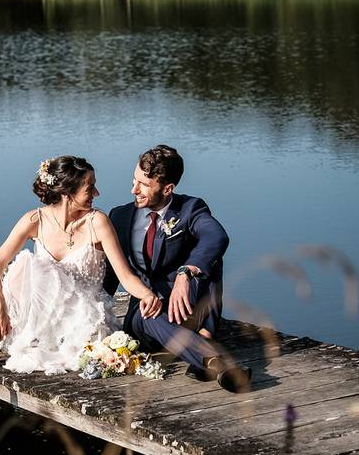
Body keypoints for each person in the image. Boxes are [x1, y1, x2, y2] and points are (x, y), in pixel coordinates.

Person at [0, 156, 163, 410]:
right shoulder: (35, 220)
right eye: (89, 186)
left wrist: (148, 295)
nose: (97, 192)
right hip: (41, 318)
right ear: (66, 193)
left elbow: (126, 276)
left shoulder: (98, 222)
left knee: (31, 266)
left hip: (80, 322)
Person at [102, 145, 251, 393]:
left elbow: (217, 237)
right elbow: (110, 276)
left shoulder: (190, 209)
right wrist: (92, 315)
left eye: (143, 185)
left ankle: (203, 337)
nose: (133, 190)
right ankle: (214, 359)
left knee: (209, 256)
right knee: (147, 314)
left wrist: (186, 271)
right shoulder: (119, 217)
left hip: (186, 306)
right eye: (133, 181)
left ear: (167, 188)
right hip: (145, 313)